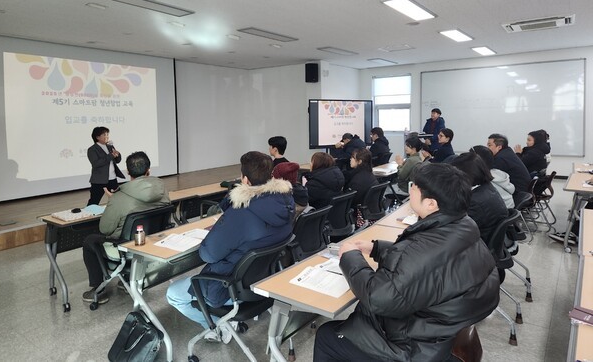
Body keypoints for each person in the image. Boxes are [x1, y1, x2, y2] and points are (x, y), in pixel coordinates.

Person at [313, 163, 500, 362]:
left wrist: (350, 257)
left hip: (415, 348)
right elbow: (429, 263)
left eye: (414, 186)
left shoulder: (423, 246)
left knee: (327, 335)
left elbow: (376, 298)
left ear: (431, 204)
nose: (410, 189)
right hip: (441, 332)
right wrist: (377, 248)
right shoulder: (463, 225)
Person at [166, 151, 294, 343]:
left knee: (173, 294)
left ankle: (218, 328)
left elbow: (208, 254)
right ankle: (225, 322)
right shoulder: (285, 202)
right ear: (271, 176)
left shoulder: (243, 211)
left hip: (228, 287)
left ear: (245, 179)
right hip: (263, 282)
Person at [81, 151, 170, 304]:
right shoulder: (161, 188)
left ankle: (98, 290)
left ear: (128, 172)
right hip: (153, 245)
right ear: (148, 170)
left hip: (127, 249)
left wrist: (114, 202)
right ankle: (128, 279)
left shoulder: (119, 196)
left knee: (90, 240)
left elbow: (105, 229)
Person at [451, 152, 509, 246]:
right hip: (486, 239)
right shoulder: (487, 187)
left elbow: (457, 230)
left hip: (477, 245)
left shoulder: (475, 202)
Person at [87, 126, 125, 206]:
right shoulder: (92, 149)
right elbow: (96, 163)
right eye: (104, 135)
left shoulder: (110, 146)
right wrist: (111, 155)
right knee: (94, 202)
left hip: (112, 179)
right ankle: (89, 216)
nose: (107, 136)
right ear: (97, 137)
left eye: (107, 134)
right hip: (99, 181)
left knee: (116, 200)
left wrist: (117, 155)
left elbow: (117, 161)